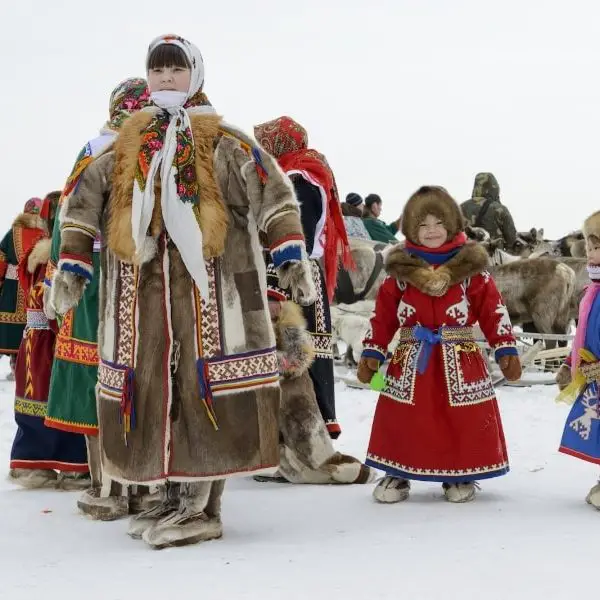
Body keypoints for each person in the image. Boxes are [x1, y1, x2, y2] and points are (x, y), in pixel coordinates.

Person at [50, 34, 314, 549]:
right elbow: (83, 200)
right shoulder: (128, 143)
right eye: (157, 71)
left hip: (213, 293)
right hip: (141, 297)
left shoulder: (225, 141)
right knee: (153, 392)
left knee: (204, 388)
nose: (165, 79)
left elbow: (272, 191)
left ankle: (202, 506)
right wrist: (72, 266)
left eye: (174, 70)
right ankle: (172, 495)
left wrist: (289, 254)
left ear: (195, 74)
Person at [357, 185, 521, 504]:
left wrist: (505, 348)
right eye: (422, 225)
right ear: (411, 229)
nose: (431, 231)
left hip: (459, 355)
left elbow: (493, 310)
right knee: (404, 418)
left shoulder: (472, 270)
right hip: (411, 357)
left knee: (458, 420)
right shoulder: (401, 271)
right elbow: (383, 316)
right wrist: (372, 352)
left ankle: (459, 473)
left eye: (438, 223)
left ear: (452, 225)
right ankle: (398, 472)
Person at [44, 77, 152, 521]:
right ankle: (146, 485)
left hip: (97, 284)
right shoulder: (163, 148)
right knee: (146, 379)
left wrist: (60, 269)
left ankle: (108, 488)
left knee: (102, 378)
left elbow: (71, 220)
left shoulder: (96, 149)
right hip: (150, 281)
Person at [254, 116, 353, 439]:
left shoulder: (298, 179)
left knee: (295, 351)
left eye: (264, 146)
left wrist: (274, 287)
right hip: (297, 275)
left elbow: (298, 238)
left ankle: (301, 439)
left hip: (293, 277)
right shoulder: (305, 173)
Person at [9, 192, 89, 489]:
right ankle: (73, 467)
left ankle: (32, 464)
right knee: (62, 400)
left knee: (32, 400)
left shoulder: (32, 254)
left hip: (32, 342)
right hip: (55, 341)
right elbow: (54, 305)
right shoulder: (56, 260)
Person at [555, 210, 600, 510]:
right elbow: (584, 331)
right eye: (589, 247)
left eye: (598, 246)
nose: (592, 254)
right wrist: (570, 362)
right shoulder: (592, 291)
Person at [0, 198, 43, 379]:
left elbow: (1, 261)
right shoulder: (44, 235)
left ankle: (11, 361)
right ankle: (21, 367)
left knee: (7, 329)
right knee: (30, 329)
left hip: (11, 288)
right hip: (35, 290)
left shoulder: (12, 234)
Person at [460, 172, 518, 252]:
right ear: (494, 189)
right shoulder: (499, 209)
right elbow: (512, 241)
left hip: (466, 259)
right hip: (493, 259)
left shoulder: (460, 208)